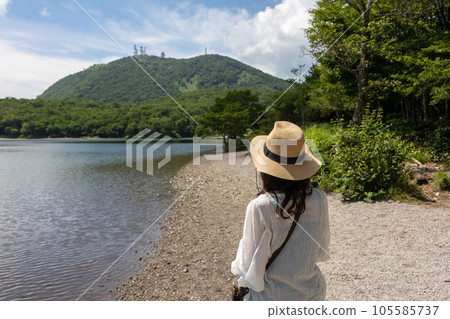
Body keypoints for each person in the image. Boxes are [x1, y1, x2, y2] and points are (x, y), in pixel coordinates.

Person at [231, 121, 330, 301]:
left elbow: (247, 266)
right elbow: (320, 249)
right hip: (313, 294)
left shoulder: (260, 206)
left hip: (272, 297)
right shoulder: (319, 198)